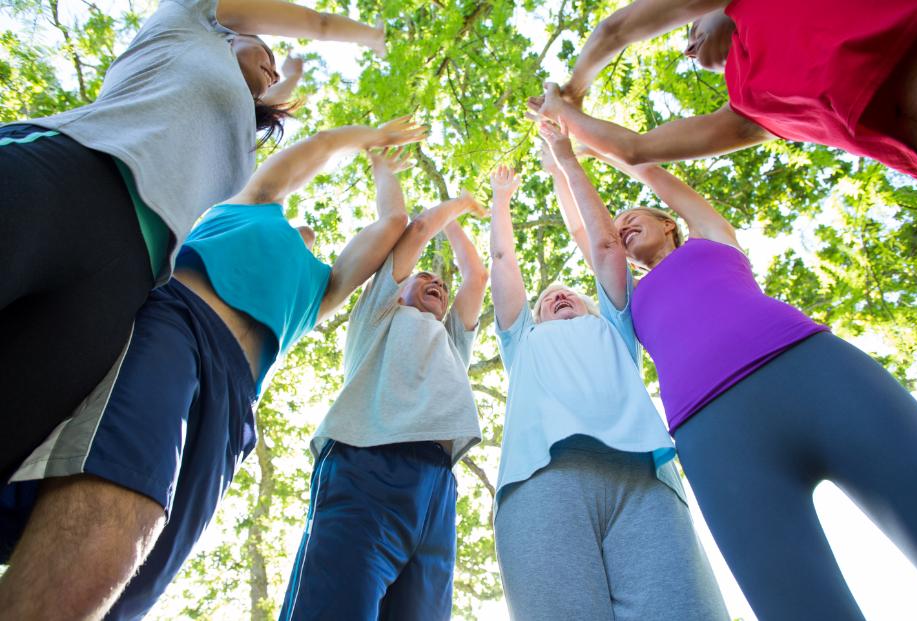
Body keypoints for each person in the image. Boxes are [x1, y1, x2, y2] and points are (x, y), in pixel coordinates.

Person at [0, 116, 426, 620]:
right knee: (123, 486)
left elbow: (391, 225)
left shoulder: (321, 288)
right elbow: (322, 143)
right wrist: (367, 137)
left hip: (236, 398)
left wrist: (383, 169)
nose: (308, 230)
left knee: (146, 567)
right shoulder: (252, 204)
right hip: (177, 324)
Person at [539, 119, 917, 621]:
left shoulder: (713, 237)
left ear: (669, 224)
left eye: (633, 214)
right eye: (615, 225)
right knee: (798, 607)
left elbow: (653, 172)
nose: (621, 224)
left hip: (815, 374)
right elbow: (588, 234)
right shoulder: (625, 295)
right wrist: (562, 159)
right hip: (716, 436)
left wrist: (597, 145)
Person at [0, 0, 386, 481]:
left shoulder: (241, 128)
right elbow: (316, 22)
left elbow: (263, 100)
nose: (268, 63)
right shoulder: (187, 22)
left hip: (129, 269)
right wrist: (371, 36)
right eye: (262, 49)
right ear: (230, 33)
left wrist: (287, 78)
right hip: (73, 173)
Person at [488, 162, 728, 621]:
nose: (557, 296)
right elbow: (503, 261)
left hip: (643, 481)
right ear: (531, 317)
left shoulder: (615, 327)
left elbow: (603, 247)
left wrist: (559, 158)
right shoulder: (522, 341)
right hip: (542, 481)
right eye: (545, 299)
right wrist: (501, 198)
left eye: (571, 293)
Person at [278, 190, 489, 621]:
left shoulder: (451, 344)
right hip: (367, 464)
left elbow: (477, 278)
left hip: (436, 487)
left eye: (443, 286)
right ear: (396, 289)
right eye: (426, 276)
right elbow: (418, 230)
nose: (439, 285)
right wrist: (458, 204)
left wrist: (457, 226)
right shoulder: (378, 316)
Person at [530, 0, 917, 184]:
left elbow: (616, 30)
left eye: (689, 30)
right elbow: (637, 149)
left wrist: (573, 89)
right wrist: (565, 116)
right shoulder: (750, 112)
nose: (689, 48)